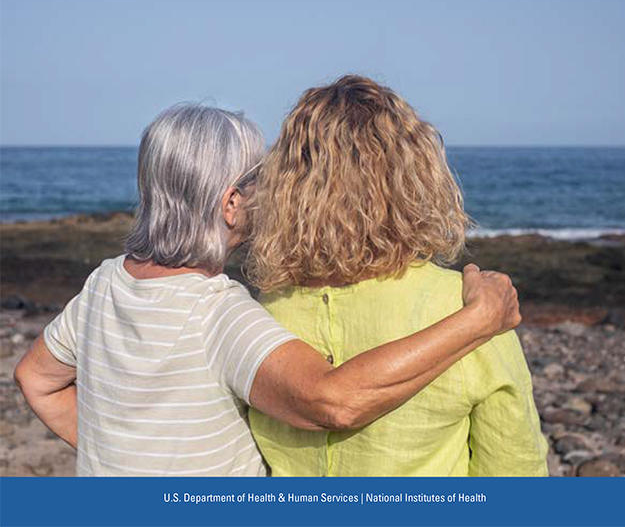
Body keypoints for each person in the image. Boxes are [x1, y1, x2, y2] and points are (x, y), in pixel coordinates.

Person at [14, 103, 520, 477]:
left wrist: (120, 464)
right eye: (261, 178)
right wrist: (479, 319)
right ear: (231, 203)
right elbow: (333, 402)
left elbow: (35, 379)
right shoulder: (219, 313)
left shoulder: (104, 282)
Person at [248, 76, 548, 476]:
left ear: (289, 182)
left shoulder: (261, 313)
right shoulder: (472, 307)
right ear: (415, 175)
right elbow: (514, 471)